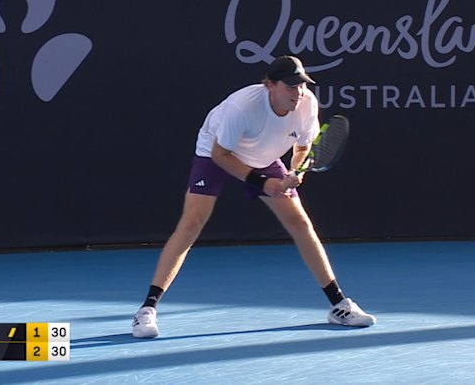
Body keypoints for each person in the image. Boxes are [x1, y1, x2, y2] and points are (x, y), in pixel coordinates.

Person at [132, 55, 375, 338]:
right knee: (191, 224)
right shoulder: (242, 108)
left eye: (302, 85)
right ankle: (146, 310)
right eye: (291, 86)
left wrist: (295, 173)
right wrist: (262, 182)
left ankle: (339, 305)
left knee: (300, 223)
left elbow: (301, 149)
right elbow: (220, 155)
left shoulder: (307, 103)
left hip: (265, 157)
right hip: (217, 153)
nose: (298, 92)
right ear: (270, 85)